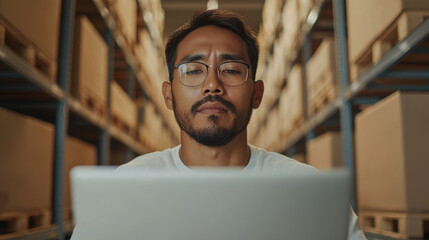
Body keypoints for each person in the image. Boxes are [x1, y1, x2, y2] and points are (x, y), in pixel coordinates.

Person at [119, 9, 367, 240]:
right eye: (193, 70)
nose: (212, 84)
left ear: (257, 94)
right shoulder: (126, 189)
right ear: (168, 95)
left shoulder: (310, 192)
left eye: (231, 70)